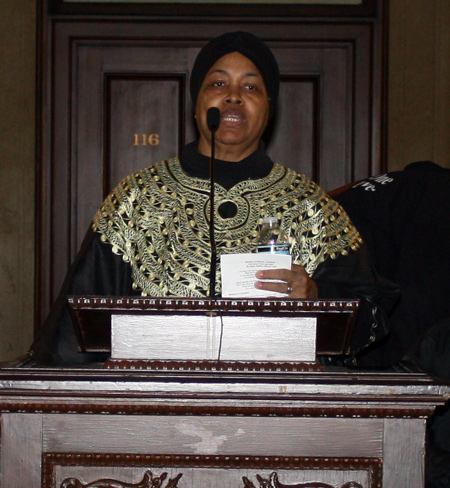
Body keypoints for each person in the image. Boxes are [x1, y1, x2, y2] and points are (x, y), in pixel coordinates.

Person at [29, 31, 398, 366]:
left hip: (277, 410)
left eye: (251, 88)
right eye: (218, 83)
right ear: (196, 105)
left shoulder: (310, 204)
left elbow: (370, 314)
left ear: (269, 110)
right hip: (153, 408)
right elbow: (75, 331)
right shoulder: (136, 197)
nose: (234, 95)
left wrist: (316, 295)